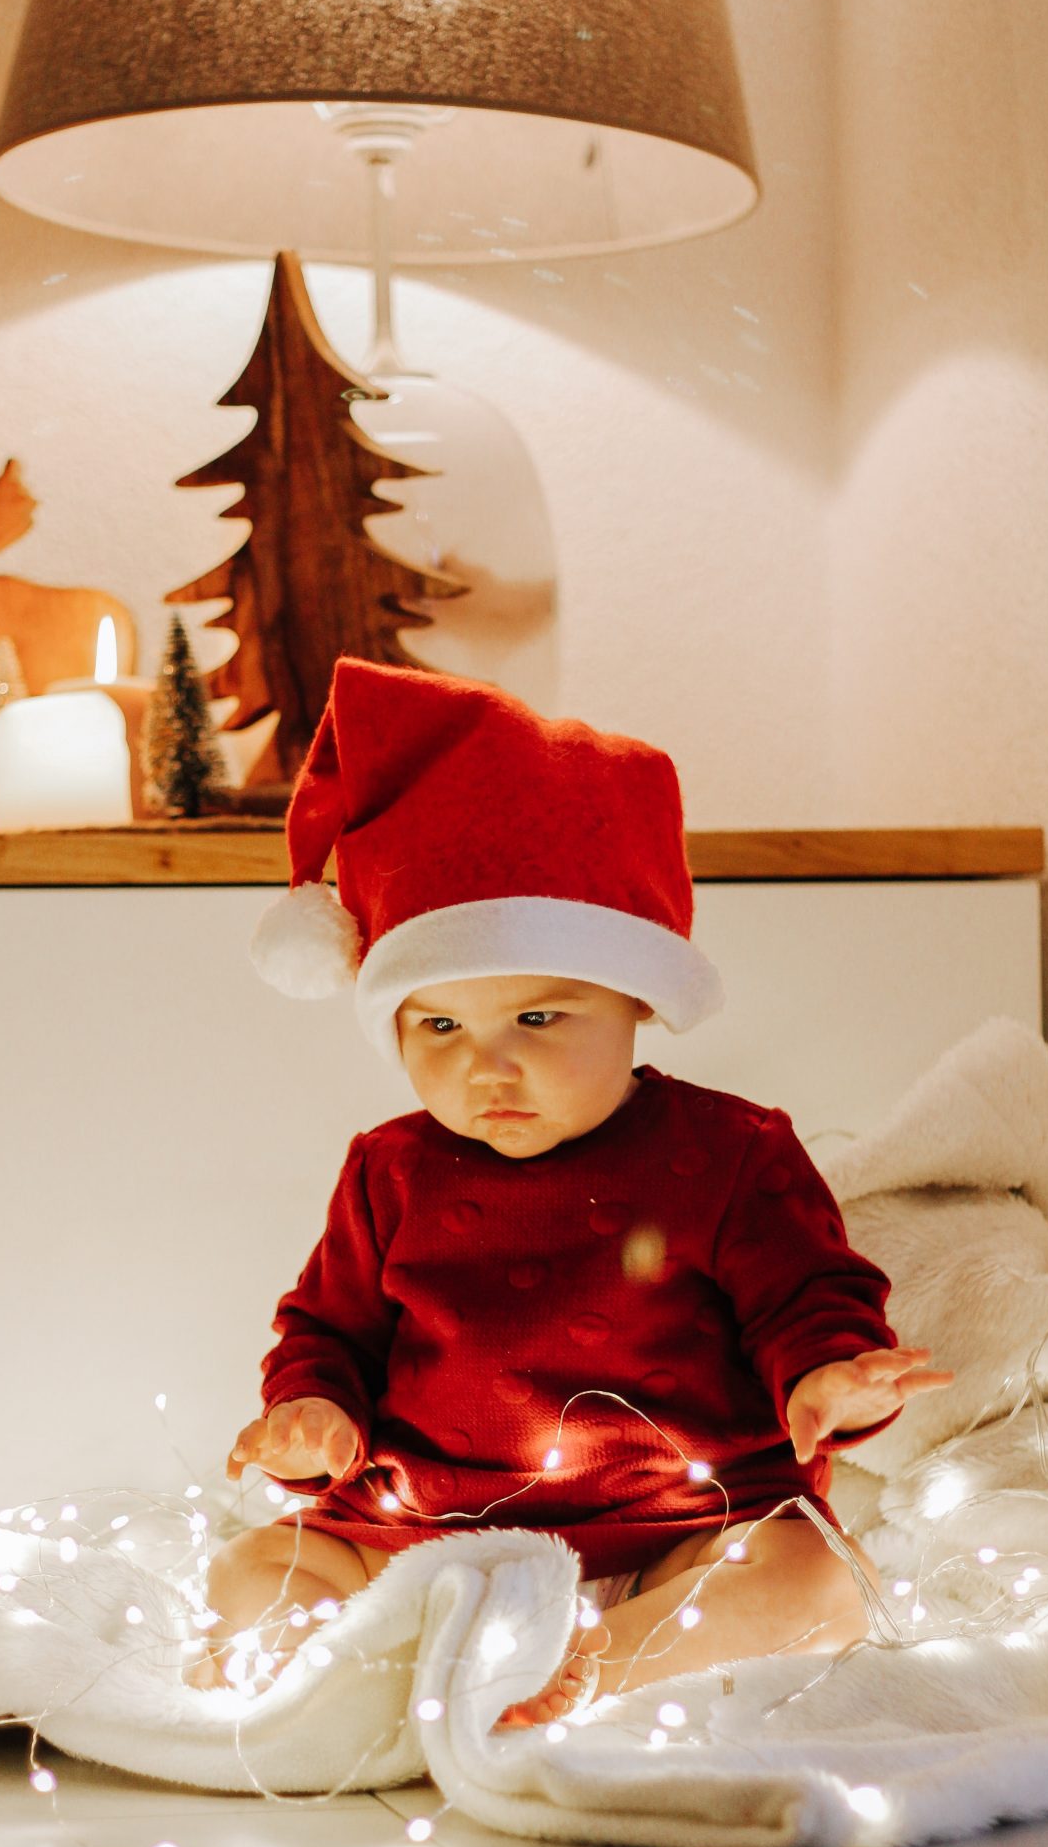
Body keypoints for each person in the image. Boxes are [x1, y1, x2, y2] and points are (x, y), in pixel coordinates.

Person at [188, 658, 952, 1722]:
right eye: (441, 1026)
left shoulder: (729, 1151)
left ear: (635, 1001)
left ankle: (592, 1665)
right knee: (249, 1577)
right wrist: (311, 1410)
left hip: (671, 1542)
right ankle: (356, 1686)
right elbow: (328, 1327)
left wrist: (826, 1373)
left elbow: (805, 1290)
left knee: (819, 1582)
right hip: (418, 1540)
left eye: (537, 1020)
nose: (484, 1068)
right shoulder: (388, 1168)